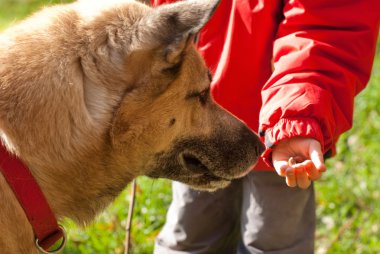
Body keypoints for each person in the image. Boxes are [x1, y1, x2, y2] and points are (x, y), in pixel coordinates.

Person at [150, 0, 380, 253]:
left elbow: (328, 26)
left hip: (278, 139)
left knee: (272, 239)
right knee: (192, 234)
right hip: (198, 124)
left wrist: (294, 117)